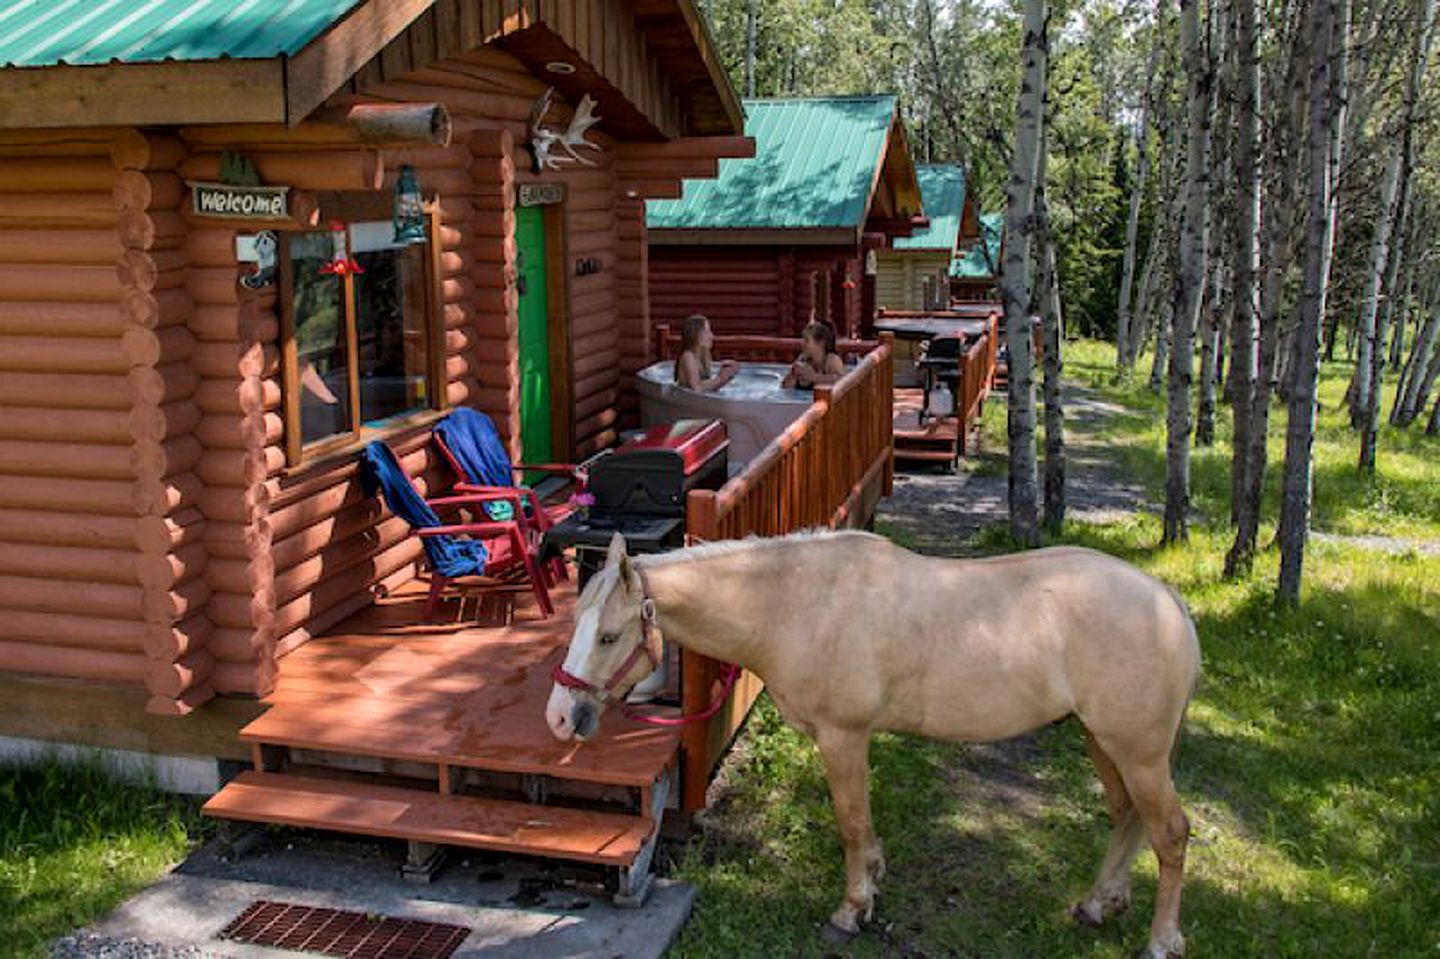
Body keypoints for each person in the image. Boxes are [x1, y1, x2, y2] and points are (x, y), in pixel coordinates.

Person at [674, 313, 740, 391]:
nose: (711, 336)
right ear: (695, 334)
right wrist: (720, 378)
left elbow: (709, 387)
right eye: (707, 332)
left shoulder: (703, 355)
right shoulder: (688, 355)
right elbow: (696, 388)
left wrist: (728, 375)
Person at [783, 321, 846, 389]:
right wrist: (792, 378)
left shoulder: (831, 360)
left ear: (820, 343)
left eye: (806, 340)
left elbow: (842, 381)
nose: (802, 343)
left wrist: (813, 377)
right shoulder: (802, 359)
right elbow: (785, 387)